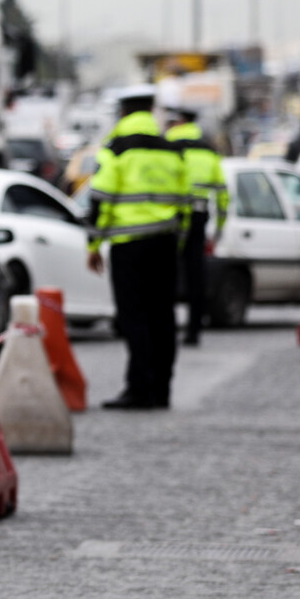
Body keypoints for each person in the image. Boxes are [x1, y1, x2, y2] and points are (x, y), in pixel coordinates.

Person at [86, 86, 189, 409]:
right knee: (163, 317)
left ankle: (139, 389)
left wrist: (94, 244)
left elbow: (100, 198)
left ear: (123, 113)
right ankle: (162, 390)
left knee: (135, 318)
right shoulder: (171, 150)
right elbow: (186, 204)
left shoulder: (116, 149)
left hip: (129, 247)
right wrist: (179, 242)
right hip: (165, 245)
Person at [166, 107, 227, 346]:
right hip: (200, 217)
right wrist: (220, 227)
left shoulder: (169, 144)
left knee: (169, 273)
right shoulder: (209, 151)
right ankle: (194, 330)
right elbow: (222, 194)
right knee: (196, 275)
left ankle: (168, 328)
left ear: (180, 121)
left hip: (173, 218)